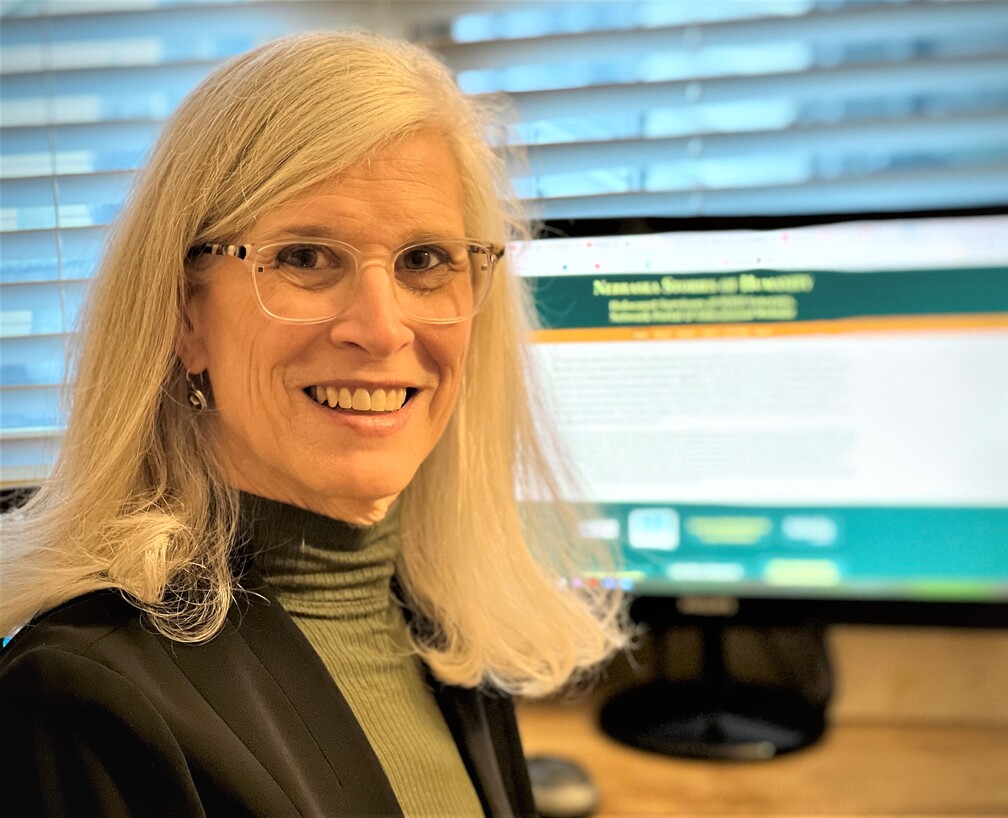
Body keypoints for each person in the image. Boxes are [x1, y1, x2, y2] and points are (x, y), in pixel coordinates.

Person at [0, 31, 628, 817]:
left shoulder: (437, 624)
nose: (382, 328)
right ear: (186, 317)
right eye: (304, 257)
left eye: (425, 261)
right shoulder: (83, 699)